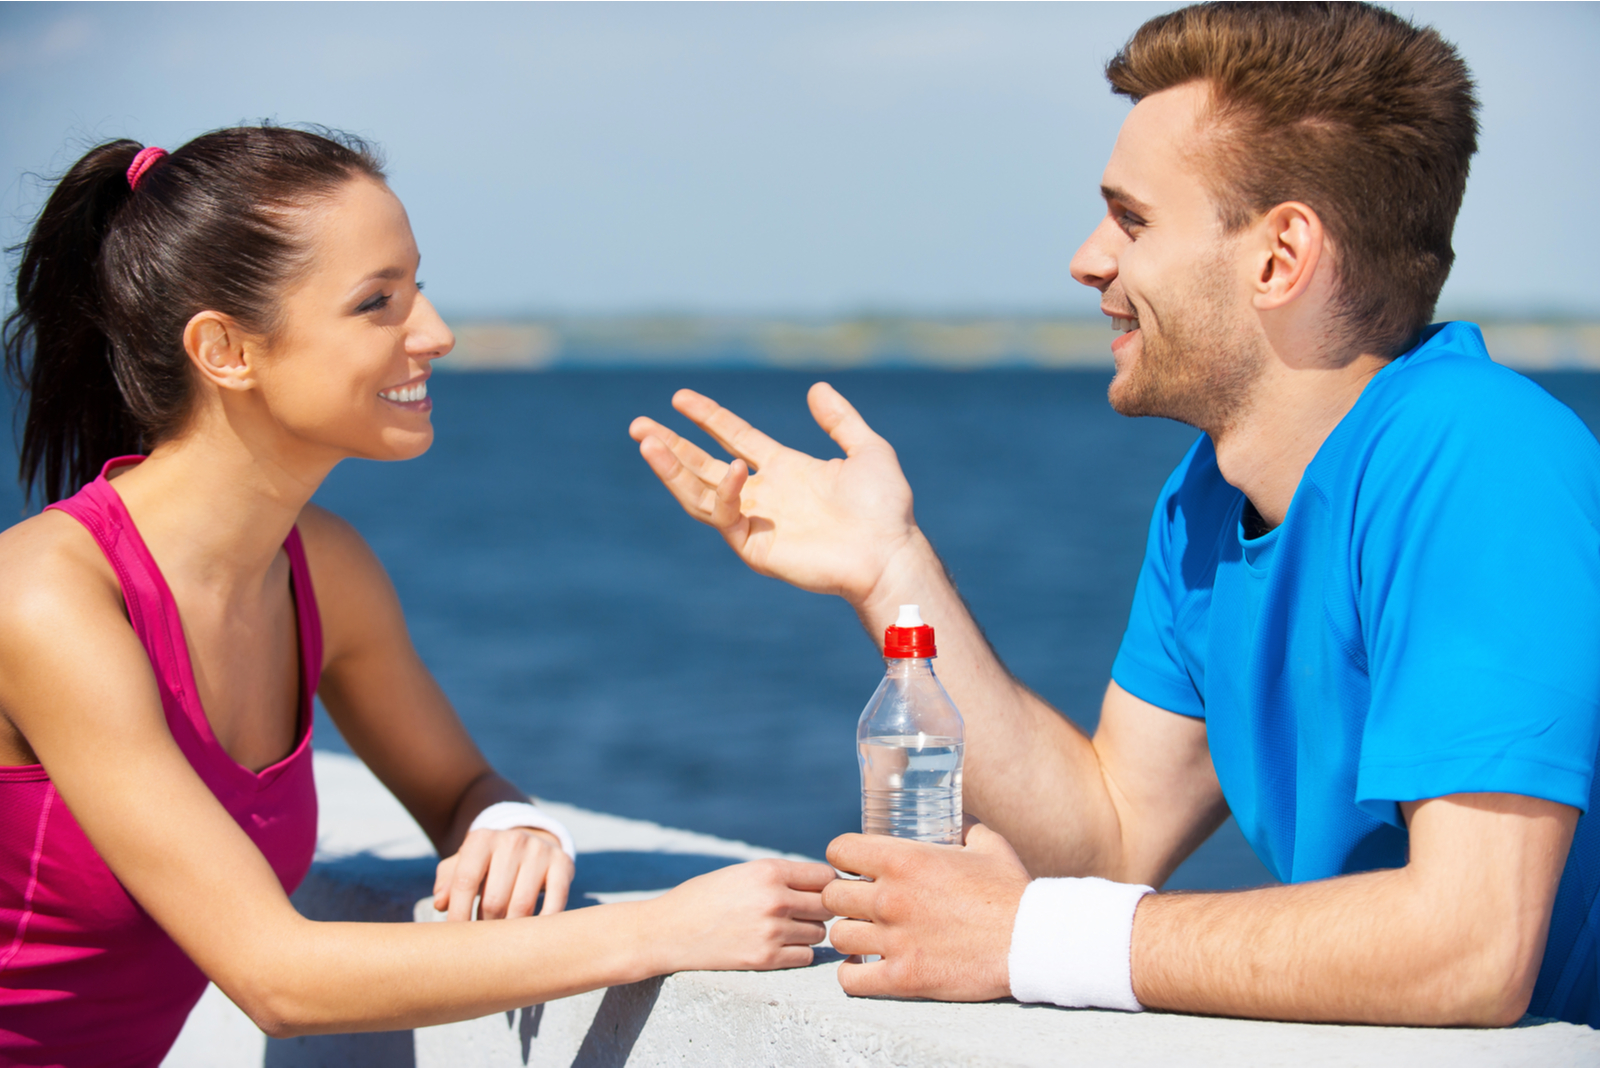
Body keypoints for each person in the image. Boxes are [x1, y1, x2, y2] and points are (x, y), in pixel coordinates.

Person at [630, 1, 1600, 1029]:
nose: (1087, 260)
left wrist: (1028, 937)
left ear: (1279, 258)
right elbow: (1107, 837)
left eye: (1132, 220)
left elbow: (1468, 944)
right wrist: (890, 571)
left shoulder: (1481, 455)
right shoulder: (1207, 498)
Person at [0, 127, 834, 1067]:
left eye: (418, 288)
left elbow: (455, 787)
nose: (434, 333)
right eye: (377, 303)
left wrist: (502, 823)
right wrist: (660, 930)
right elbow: (277, 977)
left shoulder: (323, 568)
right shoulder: (46, 602)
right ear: (226, 349)